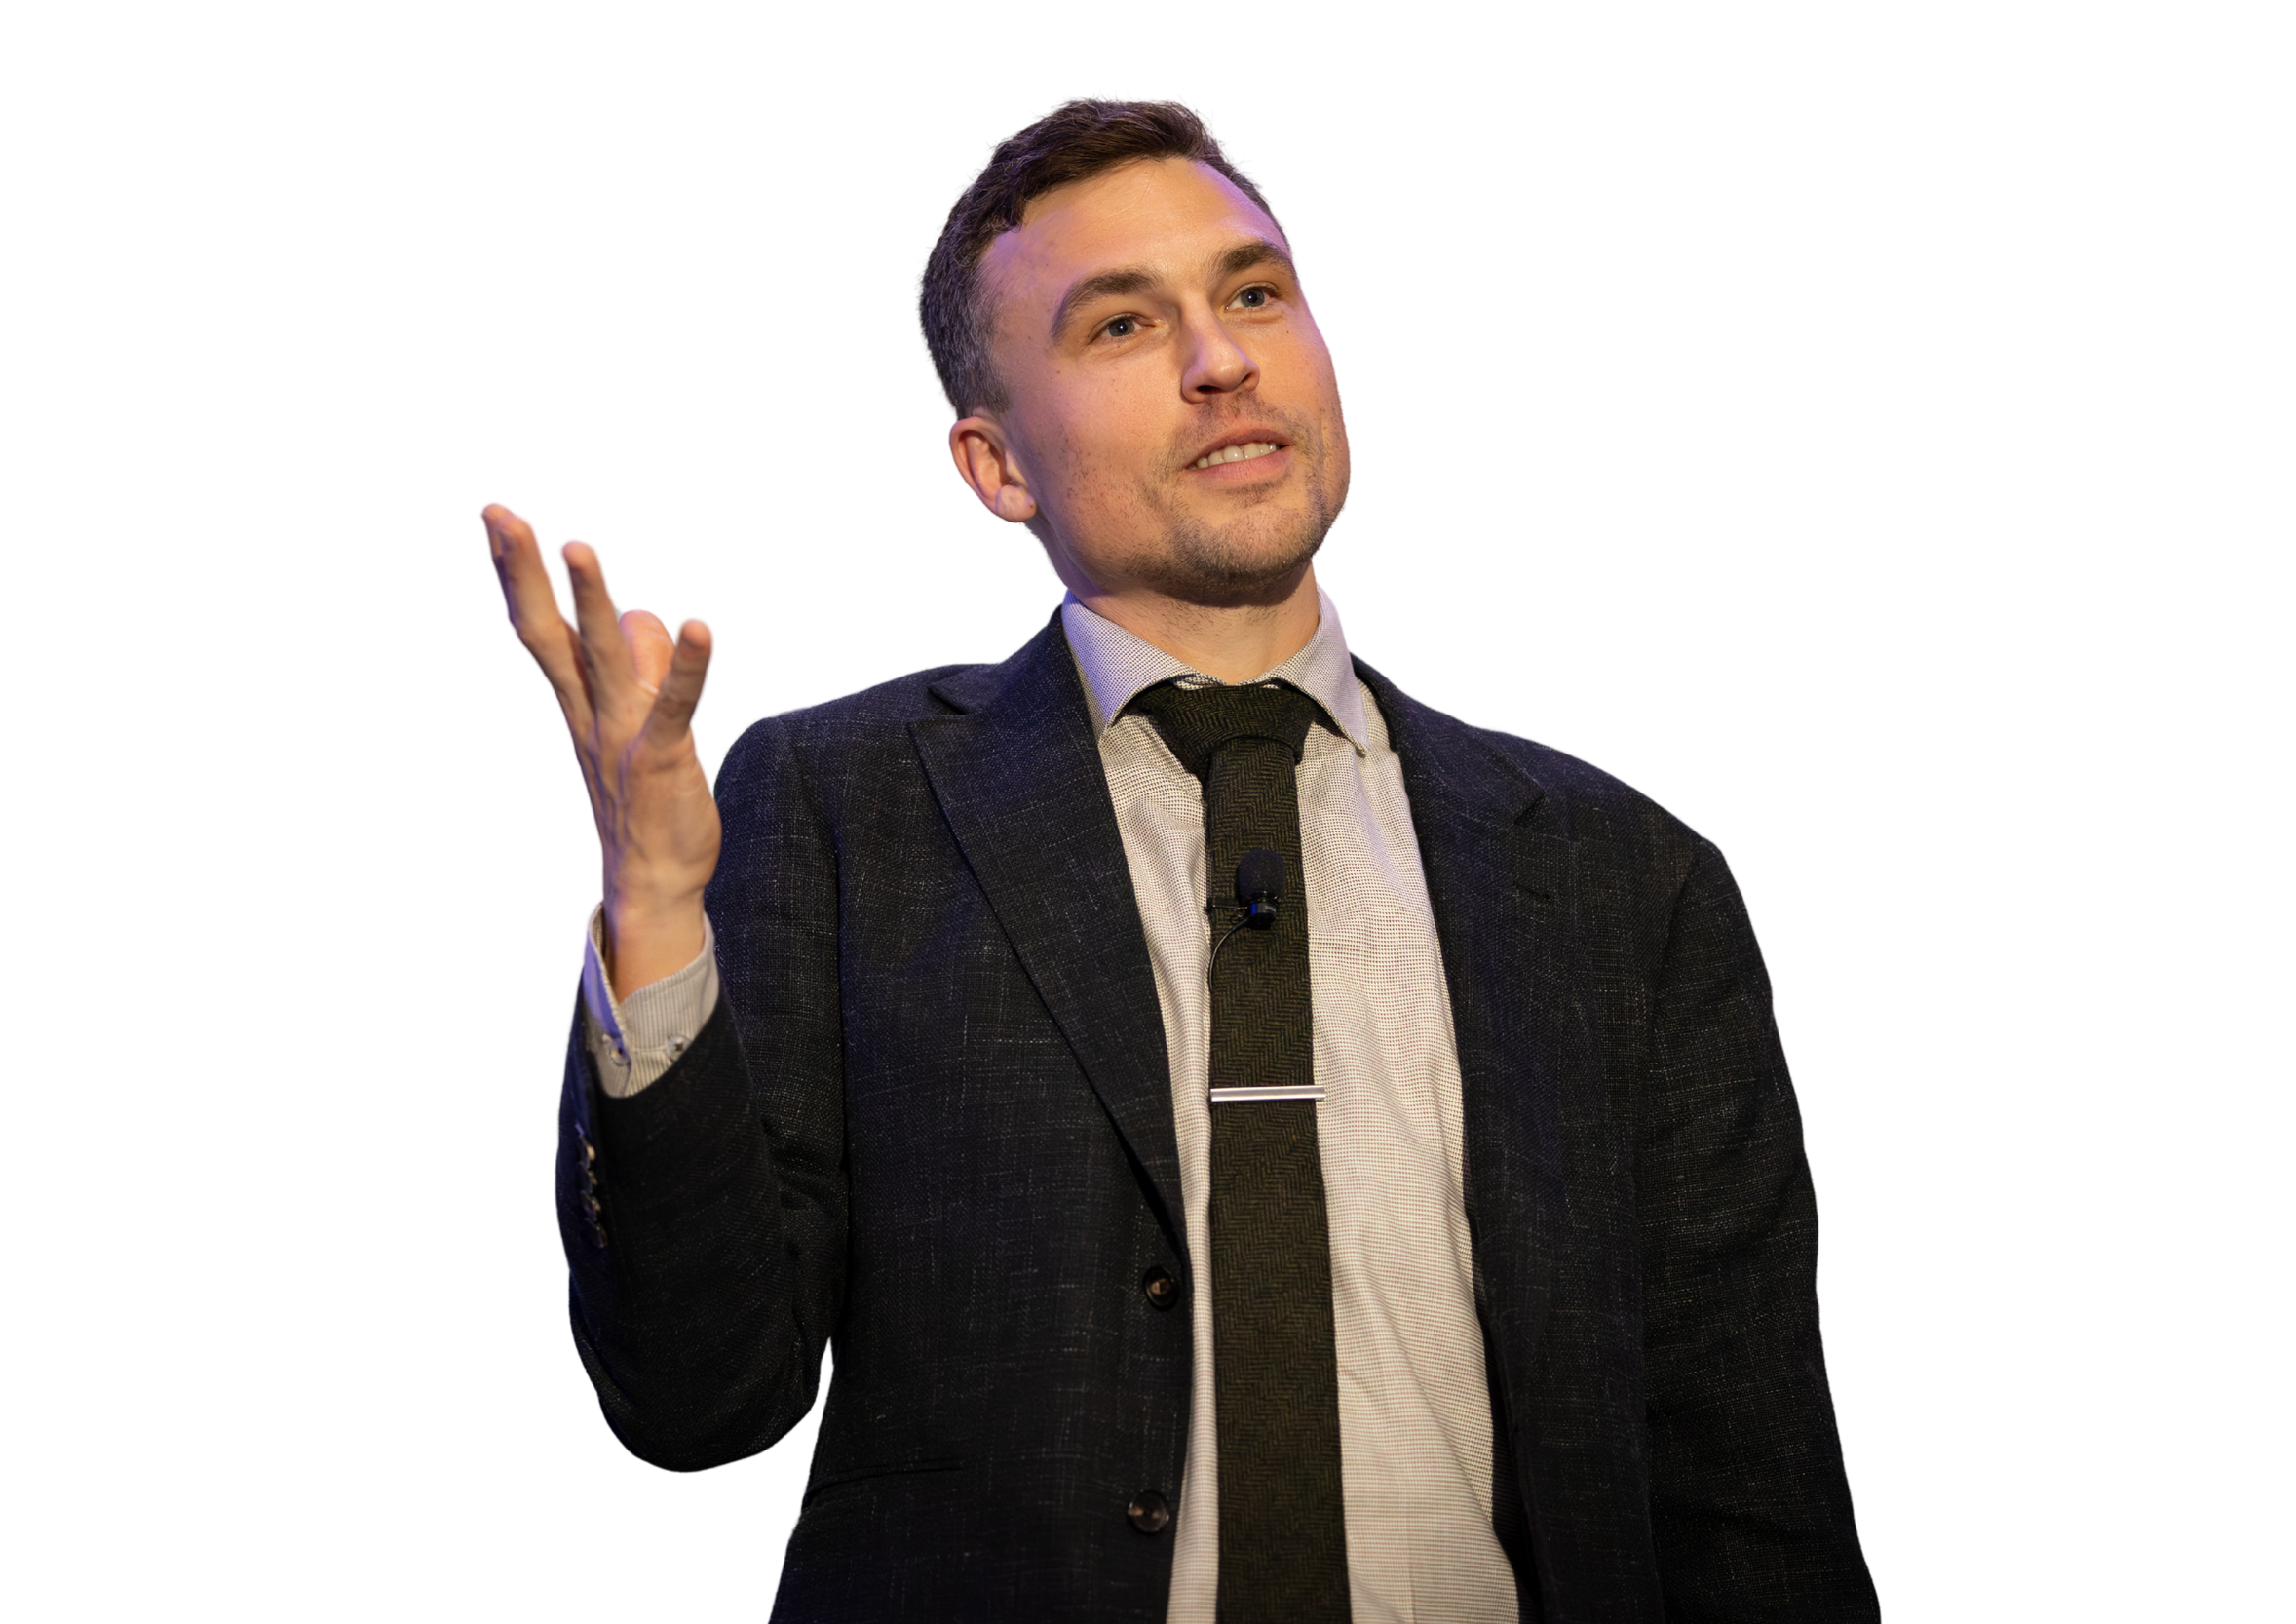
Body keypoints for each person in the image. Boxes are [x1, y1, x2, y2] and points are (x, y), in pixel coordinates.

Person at [487, 93, 1877, 1623]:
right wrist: (657, 903)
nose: (1224, 360)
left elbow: (1751, 1486)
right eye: (1122, 327)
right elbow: (692, 1395)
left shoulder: (1629, 875)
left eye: (1255, 294)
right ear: (993, 464)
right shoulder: (837, 804)